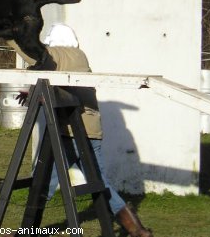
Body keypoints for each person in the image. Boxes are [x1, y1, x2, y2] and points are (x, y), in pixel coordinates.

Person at [10, 24, 153, 237]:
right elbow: (53, 82)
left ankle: (137, 230)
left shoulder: (68, 56)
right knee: (50, 182)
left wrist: (8, 33)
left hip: (78, 132)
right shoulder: (73, 58)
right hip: (75, 131)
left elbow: (36, 57)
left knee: (80, 183)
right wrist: (32, 92)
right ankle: (136, 229)